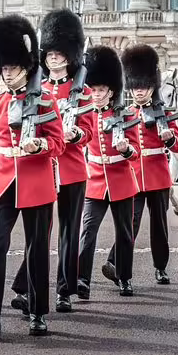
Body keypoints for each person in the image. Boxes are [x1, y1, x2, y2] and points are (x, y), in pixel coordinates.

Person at [0, 15, 65, 338]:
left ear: (26, 66)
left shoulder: (46, 99)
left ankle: (37, 313)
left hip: (36, 182)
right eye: (3, 69)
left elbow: (59, 143)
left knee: (36, 251)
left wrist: (39, 145)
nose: (7, 74)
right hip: (4, 180)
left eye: (12, 68)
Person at [8, 8, 92, 315]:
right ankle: (27, 288)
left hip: (69, 167)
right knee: (39, 234)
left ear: (69, 57)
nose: (54, 58)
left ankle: (64, 290)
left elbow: (90, 134)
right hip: (43, 166)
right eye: (50, 54)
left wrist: (75, 135)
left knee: (69, 233)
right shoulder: (36, 90)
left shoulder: (81, 92)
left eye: (60, 54)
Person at [102, 45, 178, 287]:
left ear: (152, 87)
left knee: (159, 226)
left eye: (144, 87)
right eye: (135, 87)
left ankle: (160, 267)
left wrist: (170, 138)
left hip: (158, 175)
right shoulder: (126, 113)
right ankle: (115, 263)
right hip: (134, 175)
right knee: (130, 223)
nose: (139, 92)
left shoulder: (164, 113)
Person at [78, 46, 140, 298]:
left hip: (122, 179)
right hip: (94, 180)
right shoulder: (84, 114)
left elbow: (135, 150)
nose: (96, 95)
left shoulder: (124, 115)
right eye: (93, 90)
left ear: (111, 91)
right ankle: (81, 279)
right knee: (87, 231)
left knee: (124, 233)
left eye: (101, 90)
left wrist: (125, 150)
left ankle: (123, 277)